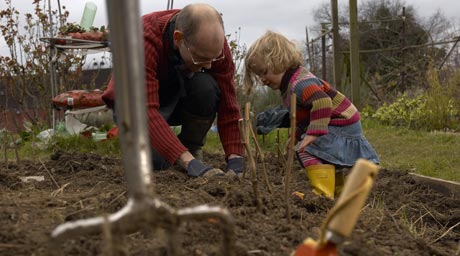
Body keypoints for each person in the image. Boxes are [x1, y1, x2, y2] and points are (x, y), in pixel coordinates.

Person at [102, 3, 244, 177]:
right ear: (178, 38)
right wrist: (187, 162)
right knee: (159, 163)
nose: (208, 65)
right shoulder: (141, 40)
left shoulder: (212, 46)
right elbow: (144, 111)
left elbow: (228, 104)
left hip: (174, 97)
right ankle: (182, 157)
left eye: (213, 58)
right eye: (200, 58)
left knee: (206, 86)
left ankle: (191, 147)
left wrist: (235, 157)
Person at [243, 31, 379, 198]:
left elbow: (322, 102)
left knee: (306, 150)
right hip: (338, 122)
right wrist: (296, 136)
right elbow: (304, 118)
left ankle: (322, 194)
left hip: (340, 123)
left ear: (279, 60)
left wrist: (313, 134)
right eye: (258, 76)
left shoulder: (300, 84)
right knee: (320, 154)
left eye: (264, 72)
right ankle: (338, 191)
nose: (262, 80)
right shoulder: (290, 85)